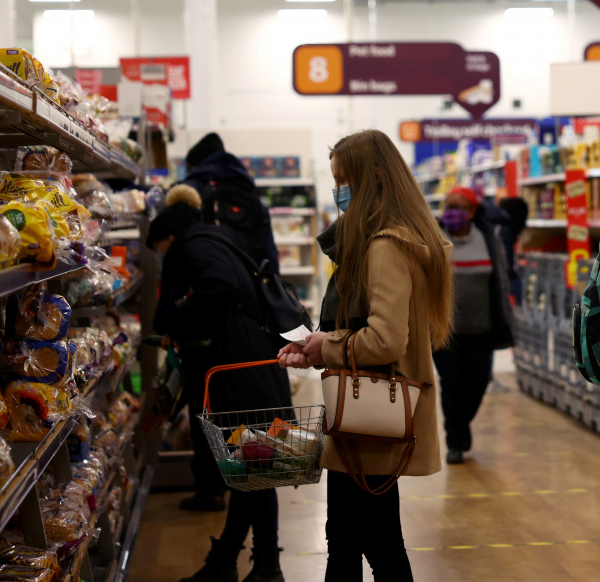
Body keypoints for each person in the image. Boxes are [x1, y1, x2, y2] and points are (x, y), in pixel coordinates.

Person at [277, 130, 453, 582]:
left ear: (373, 178)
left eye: (344, 180)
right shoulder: (381, 239)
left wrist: (325, 347)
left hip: (371, 417)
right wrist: (316, 347)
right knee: (354, 540)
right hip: (365, 416)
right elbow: (363, 327)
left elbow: (385, 340)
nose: (339, 192)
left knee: (369, 543)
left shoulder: (385, 245)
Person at [150, 197, 292, 582]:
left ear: (169, 237)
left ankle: (260, 567)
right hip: (254, 365)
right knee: (250, 472)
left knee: (253, 470)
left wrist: (178, 321)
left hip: (238, 372)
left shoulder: (194, 247)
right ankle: (236, 562)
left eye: (160, 248)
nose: (162, 256)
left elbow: (219, 285)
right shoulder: (220, 240)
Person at [433, 186, 515, 464]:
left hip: (482, 329)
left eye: (459, 208)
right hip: (445, 333)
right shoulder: (434, 239)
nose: (452, 214)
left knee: (478, 383)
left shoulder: (488, 239)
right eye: (448, 208)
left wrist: (505, 318)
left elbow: (501, 279)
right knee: (452, 384)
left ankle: (461, 424)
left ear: (472, 212)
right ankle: (454, 441)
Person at [183, 132, 280, 273]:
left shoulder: (192, 191)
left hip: (206, 280)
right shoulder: (248, 192)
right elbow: (269, 254)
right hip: (248, 284)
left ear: (198, 165)